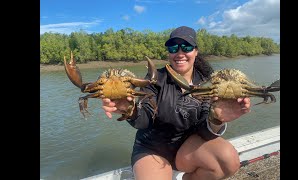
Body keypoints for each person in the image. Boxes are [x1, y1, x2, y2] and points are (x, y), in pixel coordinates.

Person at [101, 26, 251, 180]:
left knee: (227, 161)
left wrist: (217, 119)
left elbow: (204, 132)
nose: (180, 53)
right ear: (168, 52)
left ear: (195, 51)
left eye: (186, 47)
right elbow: (143, 120)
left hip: (187, 148)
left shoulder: (207, 83)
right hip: (152, 148)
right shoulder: (155, 78)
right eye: (173, 48)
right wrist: (130, 110)